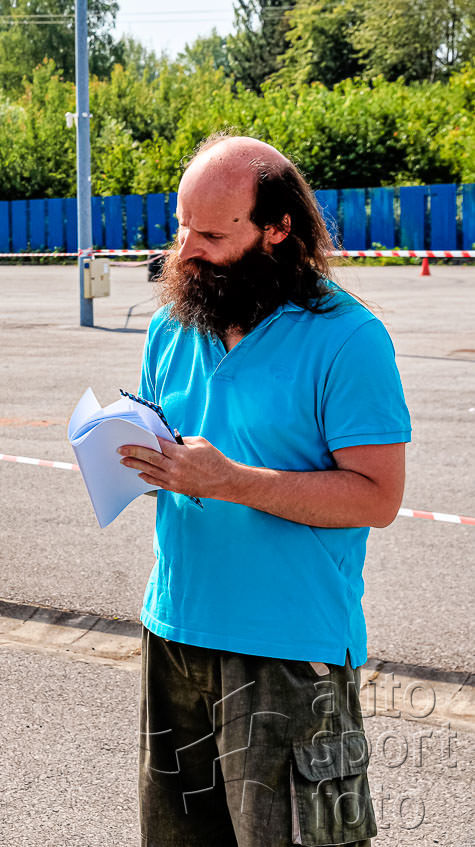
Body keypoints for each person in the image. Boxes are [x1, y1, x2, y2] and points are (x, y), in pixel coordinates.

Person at [119, 135, 410, 845]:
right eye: (182, 226)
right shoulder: (171, 326)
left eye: (213, 236)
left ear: (277, 230)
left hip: (288, 653)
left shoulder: (349, 338)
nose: (186, 251)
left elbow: (377, 497)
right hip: (173, 633)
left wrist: (231, 481)